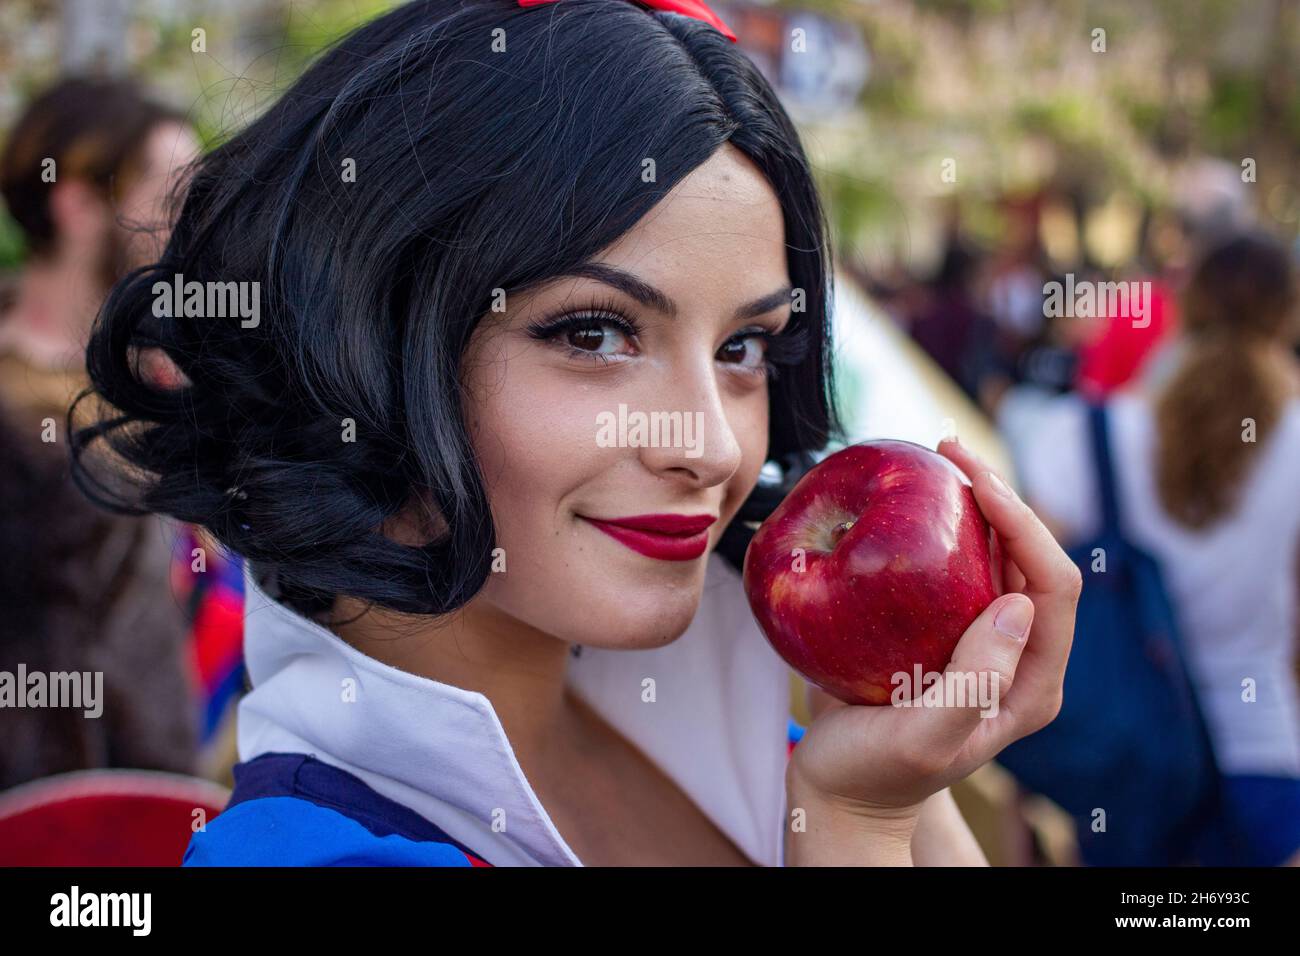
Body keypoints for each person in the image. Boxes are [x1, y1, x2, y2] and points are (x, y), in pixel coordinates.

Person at [73, 0, 1080, 866]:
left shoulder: (775, 735)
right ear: (362, 340)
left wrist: (899, 780)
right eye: (594, 332)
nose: (714, 446)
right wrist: (856, 828)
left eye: (743, 348)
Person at [1020, 232, 1300, 866]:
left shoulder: (1085, 435)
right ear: (1288, 315)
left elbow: (1028, 597)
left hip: (1126, 766)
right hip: (1264, 764)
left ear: (1186, 304)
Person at [0, 77, 204, 789]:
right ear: (80, 203)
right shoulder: (18, 418)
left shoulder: (179, 381)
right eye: (170, 200)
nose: (189, 229)